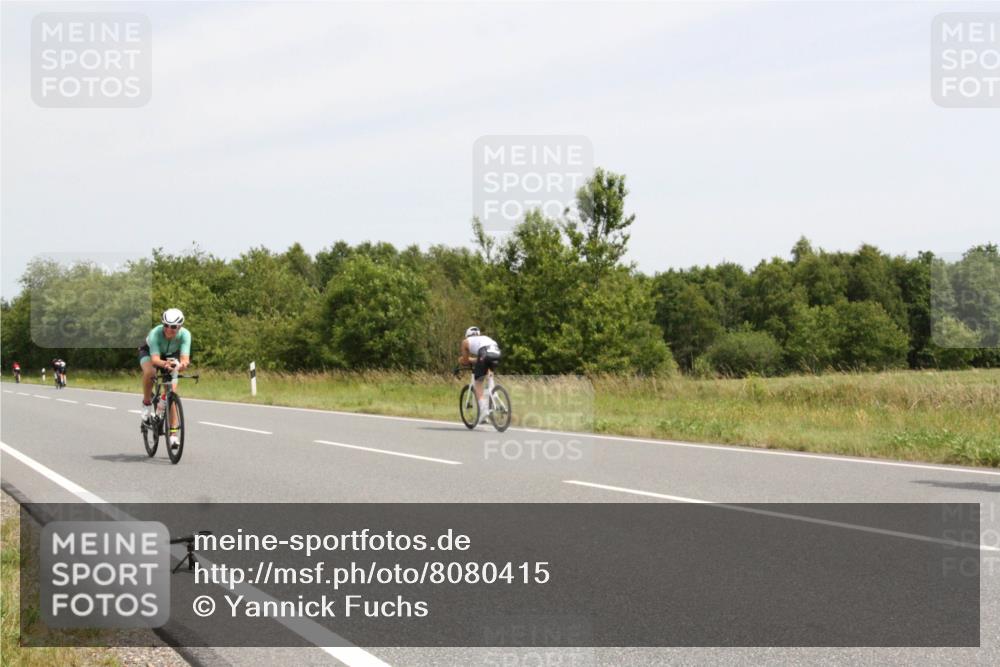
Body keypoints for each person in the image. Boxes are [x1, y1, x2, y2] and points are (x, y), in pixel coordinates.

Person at [139, 308, 192, 449]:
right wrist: (165, 364)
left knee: (171, 395)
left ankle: (173, 435)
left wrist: (181, 365)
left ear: (180, 326)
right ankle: (146, 403)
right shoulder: (156, 333)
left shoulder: (185, 335)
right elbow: (155, 359)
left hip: (170, 354)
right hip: (150, 353)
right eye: (166, 325)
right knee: (150, 372)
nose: (169, 329)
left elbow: (185, 359)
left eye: (173, 327)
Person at [457, 326, 502, 424]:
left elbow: (465, 360)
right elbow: (479, 359)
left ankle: (484, 409)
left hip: (485, 353)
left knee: (478, 383)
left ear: (467, 335)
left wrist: (461, 360)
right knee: (489, 372)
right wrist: (473, 360)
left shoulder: (465, 342)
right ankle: (494, 393)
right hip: (496, 351)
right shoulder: (484, 339)